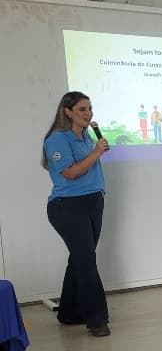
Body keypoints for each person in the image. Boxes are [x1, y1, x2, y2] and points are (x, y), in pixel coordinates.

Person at [41, 91, 111, 337]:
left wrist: (94, 149)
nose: (88, 113)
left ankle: (69, 312)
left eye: (90, 108)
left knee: (82, 257)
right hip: (68, 206)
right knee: (86, 260)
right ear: (67, 111)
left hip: (93, 202)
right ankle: (97, 320)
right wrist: (96, 153)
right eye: (82, 109)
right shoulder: (57, 139)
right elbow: (70, 173)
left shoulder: (86, 137)